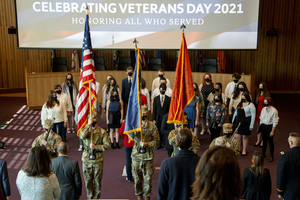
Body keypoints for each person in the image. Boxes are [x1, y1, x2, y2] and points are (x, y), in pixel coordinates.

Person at [158, 128, 200, 200]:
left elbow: (162, 192)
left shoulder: (167, 164)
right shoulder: (201, 162)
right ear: (192, 142)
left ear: (176, 142)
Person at [79, 112, 111, 199]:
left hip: (98, 159)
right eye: (90, 119)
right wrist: (87, 126)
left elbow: (108, 146)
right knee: (88, 182)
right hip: (87, 160)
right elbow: (81, 136)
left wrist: (96, 147)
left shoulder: (102, 132)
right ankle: (90, 198)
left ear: (96, 120)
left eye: (93, 119)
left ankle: (96, 198)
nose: (92, 121)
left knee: (97, 183)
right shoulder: (85, 130)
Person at [131, 105, 160, 200]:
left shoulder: (152, 126)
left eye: (144, 112)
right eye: (141, 113)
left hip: (148, 157)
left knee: (148, 181)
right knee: (137, 181)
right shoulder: (134, 125)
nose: (143, 114)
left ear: (147, 113)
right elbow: (128, 134)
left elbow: (157, 142)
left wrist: (147, 144)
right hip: (136, 156)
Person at [277, 132, 300, 200]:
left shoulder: (284, 156)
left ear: (291, 143)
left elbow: (281, 174)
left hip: (290, 191)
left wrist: (279, 191)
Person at [232, 92, 256, 156]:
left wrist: (251, 125)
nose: (242, 98)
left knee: (245, 136)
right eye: (242, 97)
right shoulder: (239, 104)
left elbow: (253, 115)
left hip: (246, 122)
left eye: (244, 97)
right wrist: (233, 121)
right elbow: (235, 113)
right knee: (237, 137)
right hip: (238, 122)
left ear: (247, 97)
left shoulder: (251, 105)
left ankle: (244, 149)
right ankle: (238, 148)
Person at [259, 96, 279, 162]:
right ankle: (263, 153)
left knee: (270, 142)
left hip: (269, 127)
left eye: (266, 102)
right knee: (264, 141)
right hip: (263, 126)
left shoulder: (274, 110)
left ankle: (271, 155)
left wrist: (272, 131)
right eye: (264, 102)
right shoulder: (263, 109)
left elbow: (275, 121)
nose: (265, 103)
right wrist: (260, 127)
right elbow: (261, 118)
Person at [152, 83, 171, 149]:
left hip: (165, 118)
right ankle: (158, 144)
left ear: (165, 90)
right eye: (160, 89)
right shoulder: (156, 98)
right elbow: (154, 109)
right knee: (158, 131)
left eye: (163, 89)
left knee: (165, 131)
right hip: (158, 117)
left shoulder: (169, 99)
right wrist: (153, 119)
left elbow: (169, 109)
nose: (161, 90)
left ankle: (165, 144)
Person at [254, 82, 271, 147]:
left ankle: (263, 141)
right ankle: (258, 140)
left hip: (264, 111)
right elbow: (256, 103)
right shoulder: (258, 94)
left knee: (263, 127)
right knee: (258, 127)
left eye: (261, 86)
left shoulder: (267, 95)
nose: (260, 88)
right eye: (259, 86)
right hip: (258, 110)